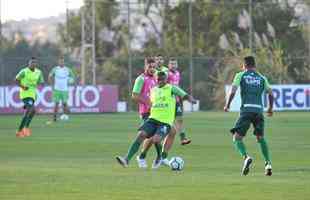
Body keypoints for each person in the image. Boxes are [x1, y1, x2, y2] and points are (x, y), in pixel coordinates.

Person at [116, 71, 196, 168]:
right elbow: (151, 103)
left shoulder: (171, 88)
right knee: (141, 134)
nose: (160, 81)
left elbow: (184, 95)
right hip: (153, 119)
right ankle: (126, 159)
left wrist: (191, 100)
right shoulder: (153, 90)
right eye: (158, 80)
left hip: (165, 122)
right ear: (156, 80)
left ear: (166, 79)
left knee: (156, 139)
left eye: (162, 80)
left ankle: (160, 157)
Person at [224, 56, 273, 176]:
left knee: (237, 138)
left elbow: (234, 90)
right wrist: (270, 108)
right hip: (259, 111)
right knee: (260, 138)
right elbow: (271, 93)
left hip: (246, 110)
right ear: (254, 66)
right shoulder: (262, 78)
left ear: (244, 66)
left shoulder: (241, 75)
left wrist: (227, 105)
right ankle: (268, 164)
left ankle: (246, 157)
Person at [131, 57, 161, 168]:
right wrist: (148, 103)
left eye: (154, 67)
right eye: (150, 67)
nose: (152, 69)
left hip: (157, 111)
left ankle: (148, 157)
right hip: (146, 112)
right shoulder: (141, 79)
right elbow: (134, 95)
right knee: (152, 135)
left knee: (154, 136)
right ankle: (155, 157)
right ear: (145, 66)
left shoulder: (156, 77)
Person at [15, 57, 44, 137]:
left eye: (34, 62)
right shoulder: (24, 71)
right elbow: (16, 80)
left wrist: (41, 83)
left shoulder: (39, 72)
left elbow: (41, 81)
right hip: (25, 94)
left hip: (33, 94)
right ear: (29, 63)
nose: (33, 64)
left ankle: (26, 128)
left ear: (36, 64)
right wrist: (23, 87)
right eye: (31, 62)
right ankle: (20, 131)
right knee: (29, 110)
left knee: (33, 111)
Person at [167, 58, 191, 145]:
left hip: (176, 101)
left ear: (177, 65)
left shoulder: (177, 73)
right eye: (171, 64)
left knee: (179, 119)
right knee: (167, 121)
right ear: (168, 65)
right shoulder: (167, 74)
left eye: (174, 64)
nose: (173, 65)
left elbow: (177, 86)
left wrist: (181, 97)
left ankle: (183, 138)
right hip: (168, 101)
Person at [48, 56, 75, 122]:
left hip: (64, 90)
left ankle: (65, 116)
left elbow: (73, 77)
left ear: (64, 62)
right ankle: (54, 118)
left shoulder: (68, 69)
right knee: (56, 104)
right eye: (60, 61)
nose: (61, 63)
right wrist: (52, 85)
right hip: (57, 89)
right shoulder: (55, 69)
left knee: (64, 104)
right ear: (58, 62)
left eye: (62, 61)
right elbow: (50, 76)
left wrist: (71, 81)